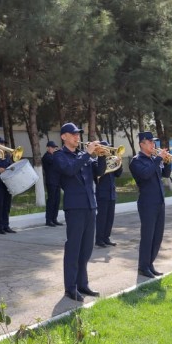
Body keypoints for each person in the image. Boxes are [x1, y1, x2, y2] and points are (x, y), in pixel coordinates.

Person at [53, 122, 106, 302]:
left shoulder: (82, 155)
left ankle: (83, 284)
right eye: (73, 134)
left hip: (90, 205)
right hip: (75, 207)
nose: (77, 137)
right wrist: (88, 153)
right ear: (64, 137)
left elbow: (99, 171)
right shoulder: (60, 155)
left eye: (78, 134)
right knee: (74, 248)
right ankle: (71, 288)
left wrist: (102, 156)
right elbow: (69, 170)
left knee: (86, 248)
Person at [129, 131, 172, 278]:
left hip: (159, 201)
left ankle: (150, 263)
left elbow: (165, 174)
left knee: (157, 236)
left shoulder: (154, 159)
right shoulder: (136, 161)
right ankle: (143, 266)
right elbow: (146, 174)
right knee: (147, 236)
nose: (154, 145)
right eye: (150, 142)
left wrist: (167, 161)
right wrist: (158, 159)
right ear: (142, 144)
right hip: (147, 203)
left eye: (154, 142)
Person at [95, 140, 122, 247]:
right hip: (102, 193)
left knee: (110, 218)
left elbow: (118, 174)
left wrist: (119, 163)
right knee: (102, 217)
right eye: (106, 149)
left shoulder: (112, 160)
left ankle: (106, 238)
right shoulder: (97, 161)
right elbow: (99, 173)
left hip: (111, 192)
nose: (108, 151)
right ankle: (99, 239)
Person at [0, 137, 14, 234]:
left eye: (4, 144)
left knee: (7, 205)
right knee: (0, 204)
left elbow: (10, 167)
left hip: (7, 182)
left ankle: (6, 225)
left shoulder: (7, 156)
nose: (3, 145)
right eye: (1, 143)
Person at [41, 140, 63, 226]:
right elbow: (54, 162)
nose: (54, 149)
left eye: (54, 148)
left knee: (57, 201)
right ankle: (48, 220)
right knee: (51, 201)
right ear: (48, 148)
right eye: (52, 147)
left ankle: (54, 218)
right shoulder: (47, 157)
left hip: (57, 181)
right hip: (51, 182)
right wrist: (59, 153)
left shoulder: (53, 156)